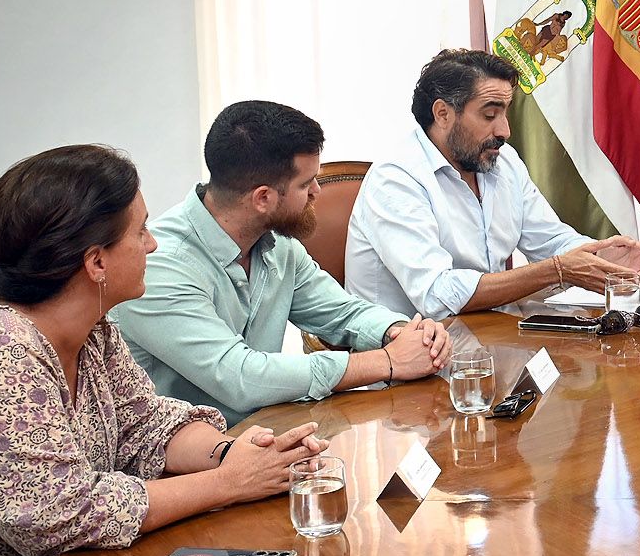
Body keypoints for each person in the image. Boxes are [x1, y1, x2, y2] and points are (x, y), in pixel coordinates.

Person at [0, 145, 328, 556]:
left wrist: (237, 455)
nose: (152, 245)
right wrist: (227, 483)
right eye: (141, 231)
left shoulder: (95, 328)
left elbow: (145, 425)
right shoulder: (4, 349)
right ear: (96, 263)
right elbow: (54, 515)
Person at [114, 102, 452, 426]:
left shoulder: (277, 243)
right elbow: (242, 378)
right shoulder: (160, 265)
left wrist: (403, 333)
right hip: (193, 465)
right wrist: (388, 362)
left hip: (272, 430)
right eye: (306, 184)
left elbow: (343, 313)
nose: (318, 191)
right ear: (263, 198)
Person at [346, 49, 640, 317]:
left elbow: (551, 241)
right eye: (489, 115)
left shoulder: (503, 160)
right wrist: (559, 270)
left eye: (505, 113)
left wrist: (598, 257)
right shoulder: (396, 180)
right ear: (442, 114)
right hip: (403, 375)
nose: (504, 131)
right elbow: (438, 296)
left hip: (491, 346)